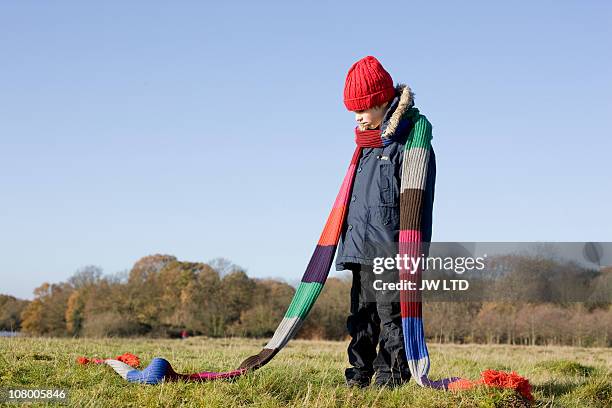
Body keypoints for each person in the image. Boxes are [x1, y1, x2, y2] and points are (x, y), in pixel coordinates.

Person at [336, 56, 436, 388]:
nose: (357, 118)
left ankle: (391, 378)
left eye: (362, 110)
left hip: (392, 249)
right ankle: (359, 376)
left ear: (383, 101)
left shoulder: (411, 142)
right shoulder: (365, 146)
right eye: (353, 112)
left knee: (390, 317)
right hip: (361, 245)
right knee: (360, 317)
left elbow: (416, 201)